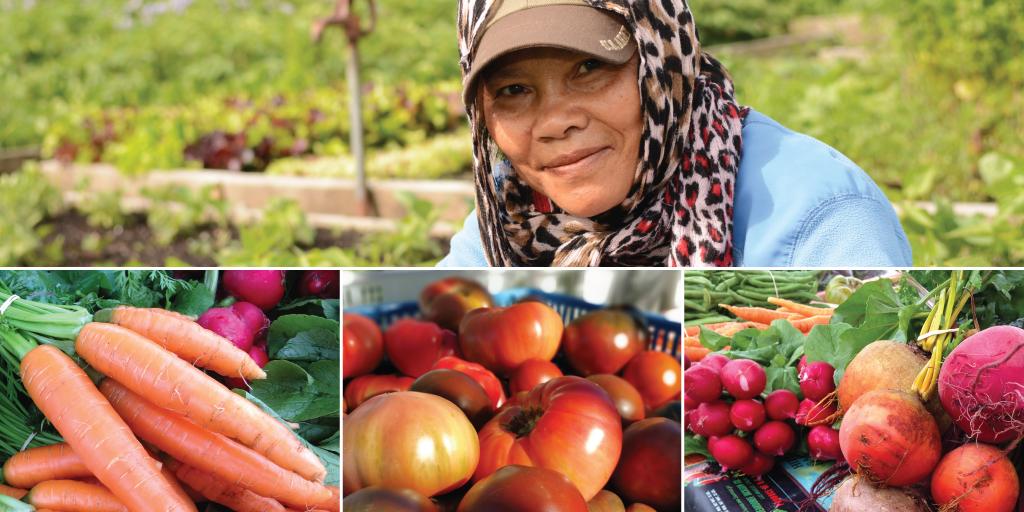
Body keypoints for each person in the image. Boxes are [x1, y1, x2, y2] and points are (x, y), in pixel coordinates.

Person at [438, 0, 911, 267]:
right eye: (514, 89)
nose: (555, 121)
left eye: (589, 67)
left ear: (663, 63)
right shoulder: (512, 220)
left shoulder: (818, 221)